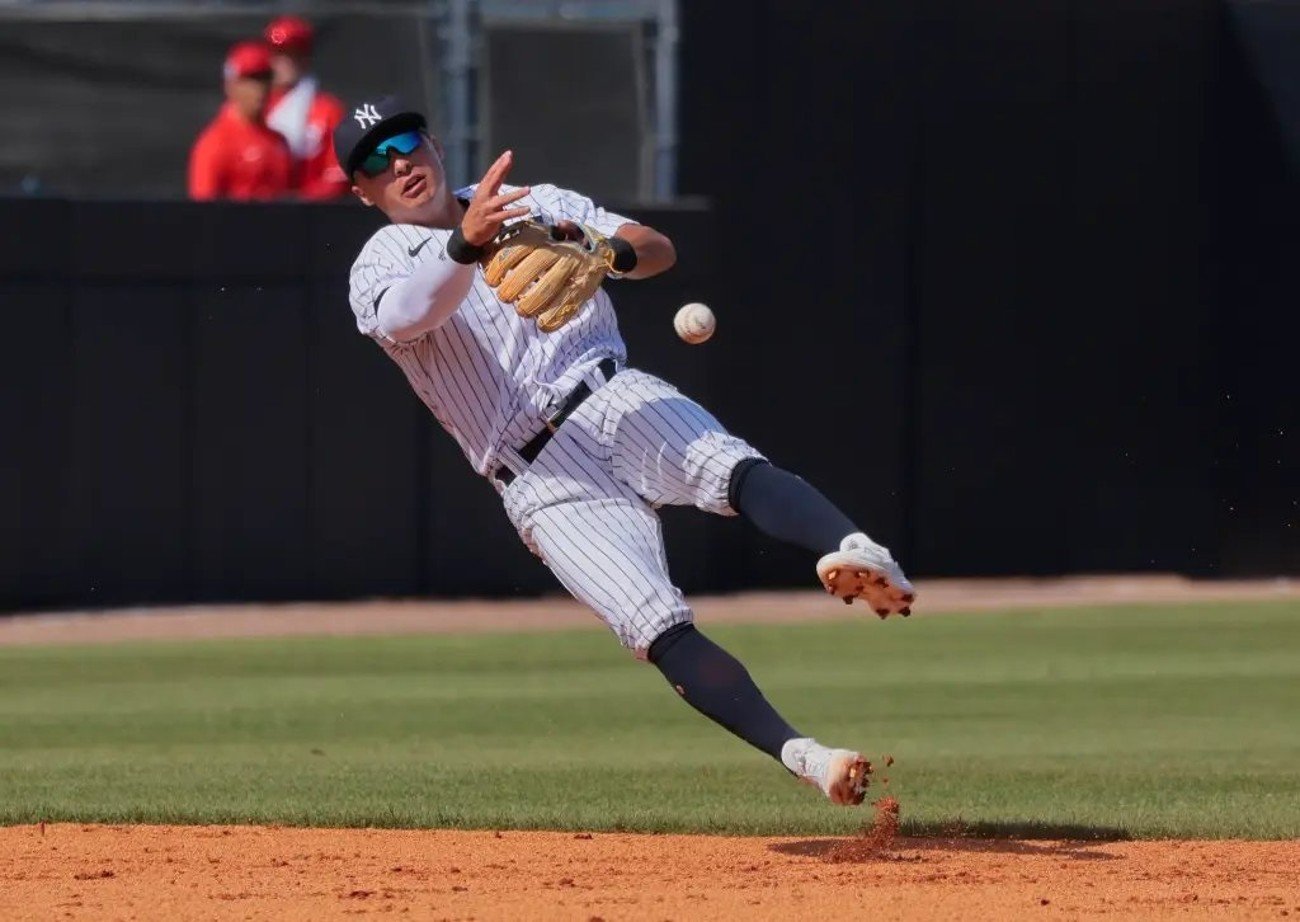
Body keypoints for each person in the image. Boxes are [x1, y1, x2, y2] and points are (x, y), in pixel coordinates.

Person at [333, 95, 917, 807]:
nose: (399, 165)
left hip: (606, 392)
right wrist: (464, 245)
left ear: (434, 145)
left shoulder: (531, 201)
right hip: (538, 480)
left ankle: (857, 547)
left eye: (405, 144)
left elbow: (656, 248)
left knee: (726, 468)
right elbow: (410, 314)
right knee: (653, 623)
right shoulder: (380, 261)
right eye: (375, 162)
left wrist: (605, 249)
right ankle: (807, 758)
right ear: (361, 191)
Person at [188, 40, 295, 202]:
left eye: (265, 78)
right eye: (250, 79)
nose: (260, 88)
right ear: (231, 85)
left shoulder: (279, 141)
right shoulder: (215, 143)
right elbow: (203, 210)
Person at [263, 15, 349, 200]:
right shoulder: (258, 108)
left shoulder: (328, 111)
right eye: (279, 53)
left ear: (305, 57)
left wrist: (297, 201)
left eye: (293, 53)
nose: (285, 62)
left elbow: (338, 176)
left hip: (314, 215)